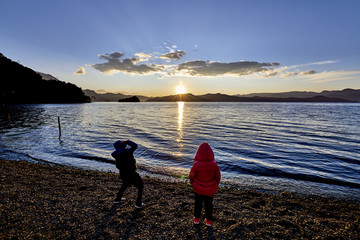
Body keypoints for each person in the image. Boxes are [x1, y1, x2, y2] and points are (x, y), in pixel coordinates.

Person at [189, 142, 221, 227]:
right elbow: (218, 176)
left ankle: (196, 219)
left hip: (198, 188)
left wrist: (192, 182)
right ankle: (208, 221)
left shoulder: (196, 164)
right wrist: (216, 184)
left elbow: (191, 175)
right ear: (211, 153)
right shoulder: (214, 165)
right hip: (210, 189)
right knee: (209, 205)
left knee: (198, 204)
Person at [111, 140, 144, 208]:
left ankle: (118, 199)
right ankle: (138, 203)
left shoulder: (116, 154)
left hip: (122, 173)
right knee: (140, 186)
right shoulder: (127, 152)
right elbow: (135, 146)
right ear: (123, 145)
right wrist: (127, 141)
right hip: (131, 173)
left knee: (125, 184)